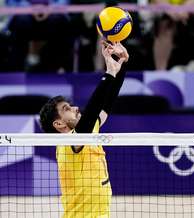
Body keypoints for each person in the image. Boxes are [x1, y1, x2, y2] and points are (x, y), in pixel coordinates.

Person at [39, 41, 129, 217]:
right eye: (66, 109)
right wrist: (109, 73)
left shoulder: (86, 134)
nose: (75, 108)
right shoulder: (69, 143)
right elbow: (93, 108)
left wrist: (121, 63)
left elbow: (106, 104)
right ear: (59, 124)